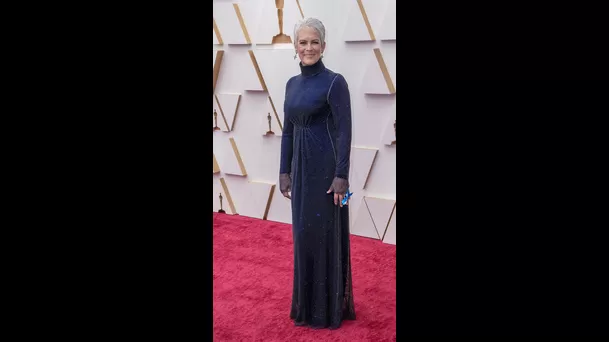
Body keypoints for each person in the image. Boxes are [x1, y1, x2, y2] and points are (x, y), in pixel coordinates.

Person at [279, 17, 356, 330]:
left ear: (324, 47)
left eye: (314, 42)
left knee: (325, 236)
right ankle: (306, 306)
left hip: (327, 173)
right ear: (295, 47)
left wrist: (342, 176)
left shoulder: (336, 82)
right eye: (303, 42)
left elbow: (345, 131)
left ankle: (327, 309)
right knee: (303, 237)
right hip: (301, 174)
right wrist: (284, 171)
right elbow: (287, 132)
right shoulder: (291, 84)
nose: (308, 48)